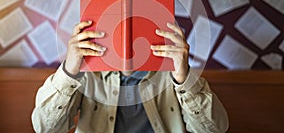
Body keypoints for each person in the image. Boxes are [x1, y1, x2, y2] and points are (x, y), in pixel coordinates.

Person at [32, 21, 229, 133]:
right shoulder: (87, 75)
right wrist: (70, 71)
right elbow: (45, 128)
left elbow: (215, 130)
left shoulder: (173, 74)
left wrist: (184, 78)